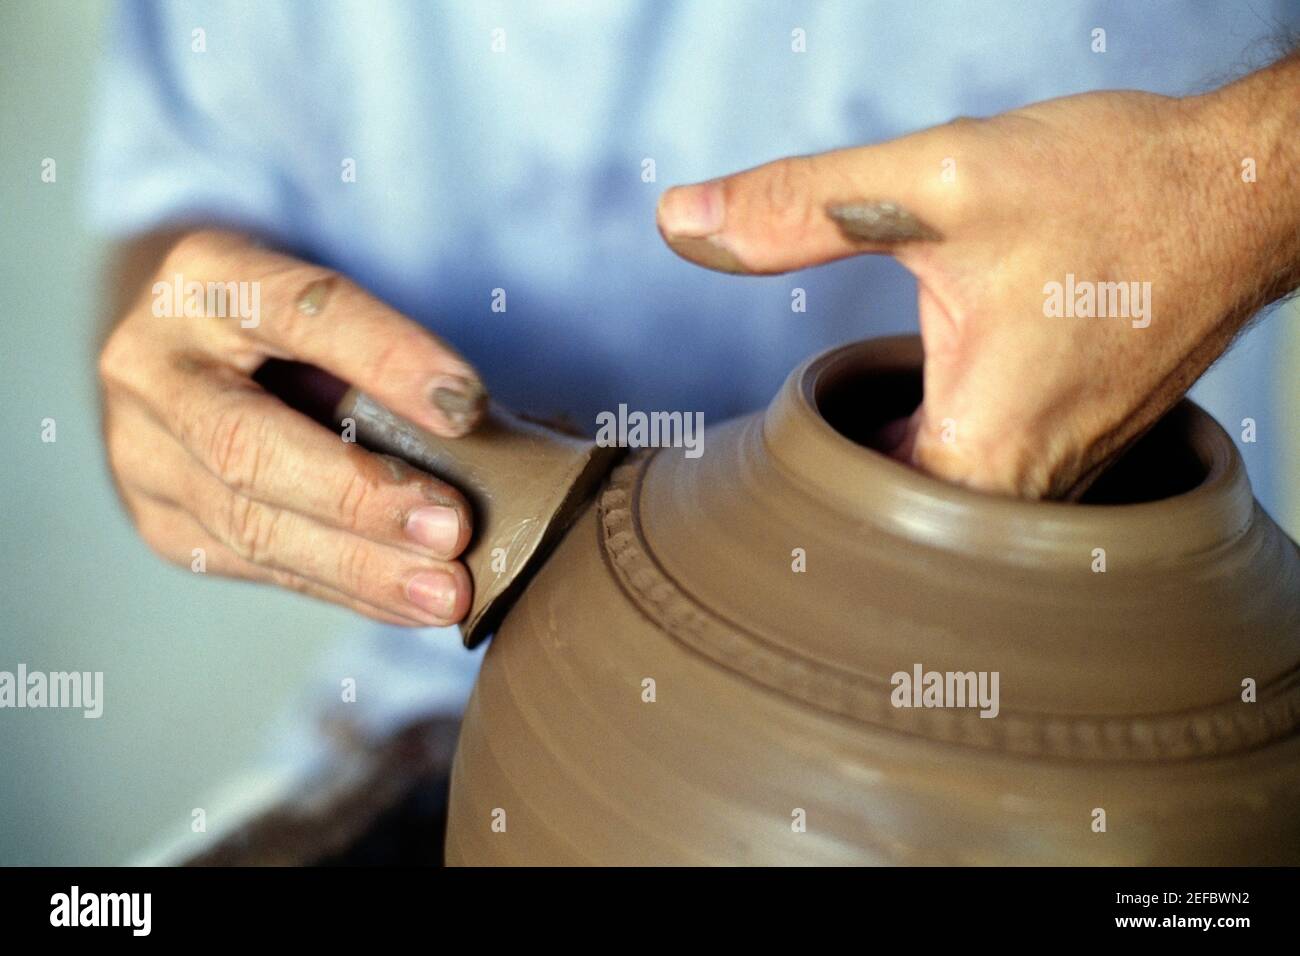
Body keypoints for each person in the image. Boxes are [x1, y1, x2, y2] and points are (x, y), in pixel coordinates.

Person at [91, 3, 1297, 846]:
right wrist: (183, 363)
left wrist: (1237, 181)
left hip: (1105, 721)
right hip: (455, 667)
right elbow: (183, 210)